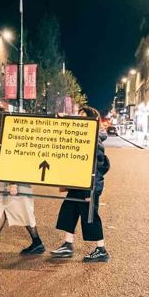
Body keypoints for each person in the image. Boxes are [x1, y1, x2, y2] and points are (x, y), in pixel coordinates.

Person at [0, 108, 44, 254]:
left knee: (24, 211)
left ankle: (37, 242)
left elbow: (16, 160)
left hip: (14, 180)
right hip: (3, 179)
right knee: (1, 210)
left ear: (1, 118)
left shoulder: (11, 135)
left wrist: (13, 183)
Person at [51, 106, 111, 262]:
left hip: (89, 185)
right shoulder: (81, 136)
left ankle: (101, 249)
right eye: (79, 116)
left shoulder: (94, 139)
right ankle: (67, 244)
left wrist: (90, 189)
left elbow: (96, 164)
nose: (80, 119)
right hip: (77, 183)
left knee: (90, 216)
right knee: (69, 211)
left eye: (83, 117)